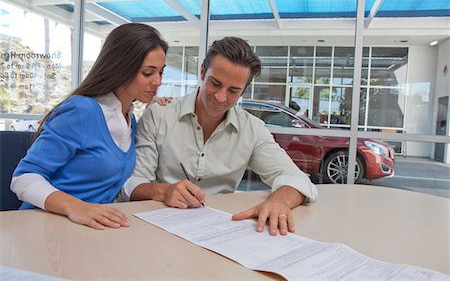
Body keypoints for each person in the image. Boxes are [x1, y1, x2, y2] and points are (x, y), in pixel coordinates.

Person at [120, 37, 318, 236]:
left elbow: (297, 178)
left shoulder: (252, 129)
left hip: (221, 232)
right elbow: (132, 184)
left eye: (233, 90)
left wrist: (279, 201)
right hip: (160, 228)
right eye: (215, 83)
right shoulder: (159, 115)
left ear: (243, 91)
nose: (221, 97)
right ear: (202, 72)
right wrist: (164, 191)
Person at [10, 23, 168, 230]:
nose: (158, 81)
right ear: (121, 68)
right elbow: (23, 178)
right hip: (45, 228)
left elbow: (113, 184)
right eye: (148, 73)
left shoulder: (129, 118)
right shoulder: (82, 110)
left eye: (161, 72)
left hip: (90, 231)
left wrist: (160, 191)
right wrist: (76, 207)